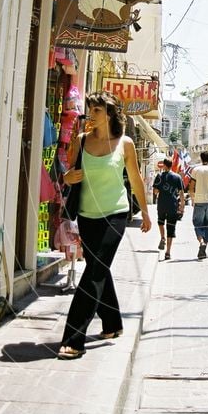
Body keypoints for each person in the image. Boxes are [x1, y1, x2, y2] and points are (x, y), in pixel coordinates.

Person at [57, 91, 151, 359]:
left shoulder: (125, 143)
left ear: (109, 114)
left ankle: (74, 337)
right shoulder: (80, 140)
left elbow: (135, 179)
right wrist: (68, 177)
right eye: (90, 109)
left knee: (95, 271)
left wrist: (144, 212)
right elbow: (69, 174)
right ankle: (112, 324)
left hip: (116, 214)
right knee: (99, 267)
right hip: (87, 215)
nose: (91, 113)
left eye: (97, 110)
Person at [188, 151, 208, 259]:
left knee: (197, 224)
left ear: (201, 159)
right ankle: (204, 249)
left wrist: (193, 199)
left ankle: (201, 242)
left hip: (199, 201)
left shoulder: (196, 170)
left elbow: (191, 187)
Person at [153, 157, 184, 260]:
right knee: (171, 228)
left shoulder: (159, 176)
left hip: (161, 204)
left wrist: (160, 189)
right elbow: (181, 193)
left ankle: (162, 237)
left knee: (160, 222)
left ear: (164, 165)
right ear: (172, 165)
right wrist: (182, 206)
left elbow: (155, 192)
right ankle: (168, 252)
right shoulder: (177, 177)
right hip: (173, 205)